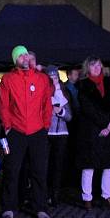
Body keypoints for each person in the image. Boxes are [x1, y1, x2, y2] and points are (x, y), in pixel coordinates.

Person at [0, 45, 53, 218]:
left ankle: (40, 207)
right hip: (17, 130)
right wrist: (7, 125)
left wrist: (45, 124)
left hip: (37, 131)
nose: (25, 58)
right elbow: (3, 104)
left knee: (39, 170)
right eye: (20, 56)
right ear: (15, 60)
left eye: (26, 55)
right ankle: (9, 205)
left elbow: (46, 103)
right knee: (12, 170)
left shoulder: (42, 79)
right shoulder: (8, 79)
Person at [75, 56, 110, 210]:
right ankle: (87, 197)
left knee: (109, 165)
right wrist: (105, 124)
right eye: (93, 65)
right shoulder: (83, 85)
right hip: (92, 130)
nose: (96, 68)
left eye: (98, 65)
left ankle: (106, 195)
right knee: (89, 165)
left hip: (109, 130)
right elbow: (88, 108)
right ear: (88, 68)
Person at [46, 66, 73, 206]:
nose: (53, 80)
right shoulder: (44, 93)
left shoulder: (63, 93)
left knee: (58, 166)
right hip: (46, 134)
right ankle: (45, 194)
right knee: (46, 166)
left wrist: (60, 111)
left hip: (61, 134)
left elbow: (69, 116)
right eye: (50, 78)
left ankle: (55, 194)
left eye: (55, 77)